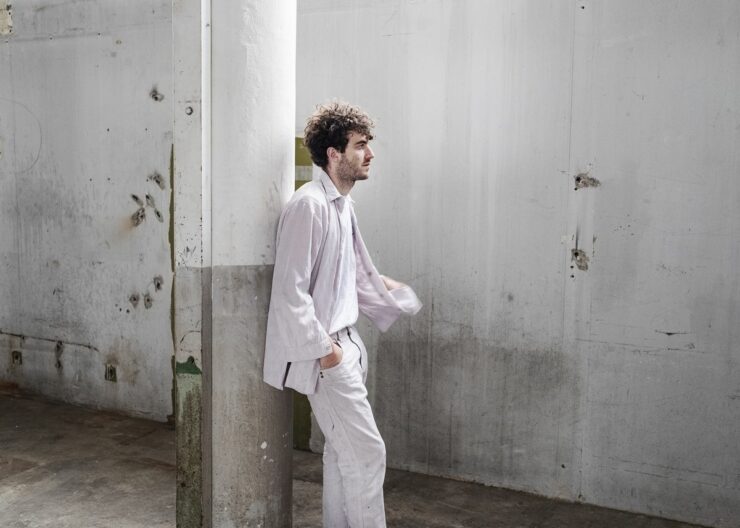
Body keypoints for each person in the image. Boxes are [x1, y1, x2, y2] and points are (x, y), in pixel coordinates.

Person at [263, 101, 421, 527]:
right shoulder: (309, 206)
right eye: (360, 145)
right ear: (334, 154)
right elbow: (290, 292)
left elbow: (343, 272)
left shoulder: (342, 206)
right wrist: (327, 353)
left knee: (341, 456)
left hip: (348, 346)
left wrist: (389, 287)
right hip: (329, 354)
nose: (370, 154)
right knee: (367, 455)